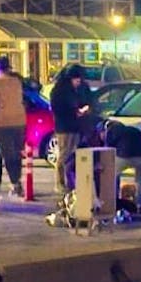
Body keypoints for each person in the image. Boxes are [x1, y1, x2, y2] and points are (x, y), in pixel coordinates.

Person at [0, 56, 26, 196]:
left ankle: (15, 183)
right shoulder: (17, 82)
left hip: (4, 123)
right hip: (19, 122)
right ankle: (17, 180)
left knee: (7, 155)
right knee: (17, 154)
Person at [100, 120, 141, 210]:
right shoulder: (132, 129)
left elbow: (108, 149)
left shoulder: (111, 130)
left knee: (112, 175)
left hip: (126, 155)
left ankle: (113, 202)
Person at [49, 64, 88, 193]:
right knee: (64, 154)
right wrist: (75, 112)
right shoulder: (60, 92)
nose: (79, 82)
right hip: (64, 127)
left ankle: (70, 182)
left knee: (72, 155)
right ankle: (60, 183)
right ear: (71, 78)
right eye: (77, 80)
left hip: (74, 126)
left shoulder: (73, 91)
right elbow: (59, 109)